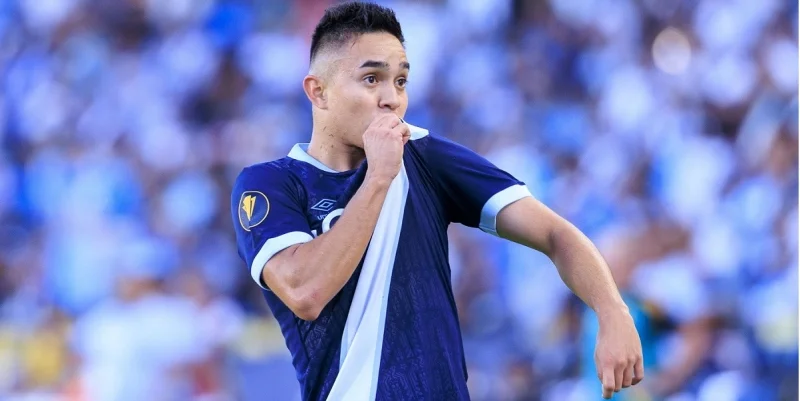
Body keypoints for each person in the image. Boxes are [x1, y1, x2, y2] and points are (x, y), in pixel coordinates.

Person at [230, 2, 643, 400]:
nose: (391, 98)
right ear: (318, 91)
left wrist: (613, 312)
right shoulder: (269, 184)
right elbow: (306, 292)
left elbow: (555, 234)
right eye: (371, 79)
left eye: (401, 81)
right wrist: (379, 177)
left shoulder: (426, 157)